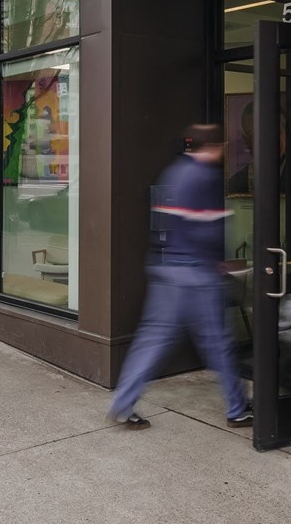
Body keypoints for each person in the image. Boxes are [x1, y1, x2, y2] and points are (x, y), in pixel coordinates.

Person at [108, 123, 252, 430]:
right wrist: (222, 262)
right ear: (214, 146)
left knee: (153, 340)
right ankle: (238, 408)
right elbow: (210, 229)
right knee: (219, 343)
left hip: (165, 267)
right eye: (222, 144)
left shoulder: (173, 173)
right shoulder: (206, 178)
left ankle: (123, 403)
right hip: (197, 274)